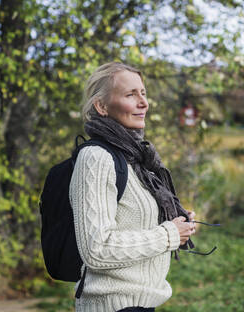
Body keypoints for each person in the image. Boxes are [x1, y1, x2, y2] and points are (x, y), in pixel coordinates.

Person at [70, 62, 196, 312]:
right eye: (131, 94)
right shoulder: (96, 158)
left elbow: (133, 221)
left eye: (144, 93)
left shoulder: (136, 158)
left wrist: (174, 222)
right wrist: (168, 235)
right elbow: (96, 249)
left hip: (138, 304)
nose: (144, 103)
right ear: (101, 106)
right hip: (112, 306)